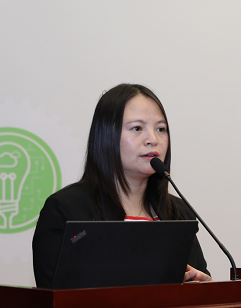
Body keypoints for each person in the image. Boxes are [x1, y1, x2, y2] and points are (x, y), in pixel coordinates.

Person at [32, 83, 212, 288]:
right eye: (137, 128)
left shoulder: (178, 213)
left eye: (161, 129)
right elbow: (55, 299)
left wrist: (206, 290)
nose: (153, 139)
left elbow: (198, 284)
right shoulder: (67, 210)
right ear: (106, 135)